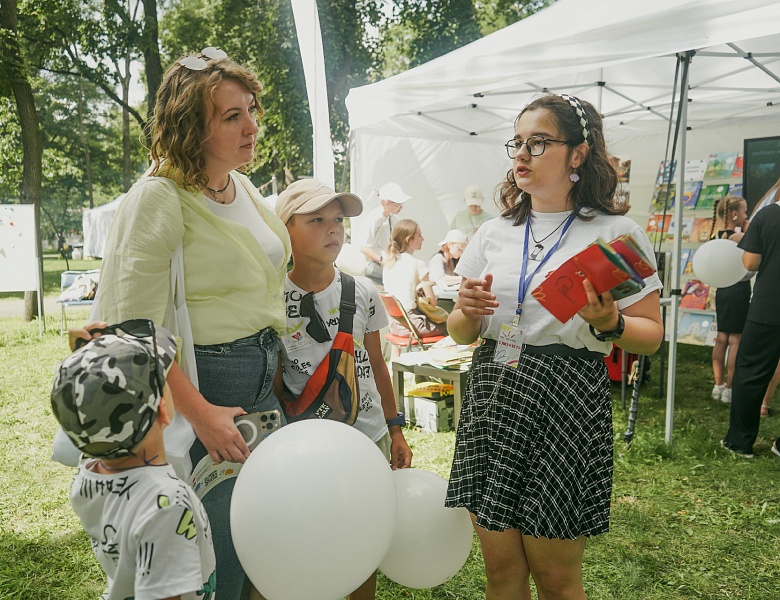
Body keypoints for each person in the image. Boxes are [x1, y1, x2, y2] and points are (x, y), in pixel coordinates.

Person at [444, 94, 663, 599]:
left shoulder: (616, 234)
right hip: (495, 393)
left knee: (557, 578)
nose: (521, 153)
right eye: (517, 142)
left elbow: (651, 334)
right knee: (500, 572)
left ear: (578, 155)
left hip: (565, 400)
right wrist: (466, 313)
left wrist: (611, 324)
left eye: (538, 142)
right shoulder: (492, 233)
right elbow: (461, 332)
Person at [96, 48, 291, 600]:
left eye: (250, 109)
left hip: (261, 381)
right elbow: (131, 325)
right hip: (203, 386)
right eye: (232, 117)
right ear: (189, 126)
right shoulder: (158, 196)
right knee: (210, 555)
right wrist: (199, 412)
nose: (252, 125)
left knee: (257, 545)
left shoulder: (242, 186)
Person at [273, 178, 413, 600]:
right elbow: (276, 376)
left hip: (365, 438)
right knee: (310, 534)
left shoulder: (362, 290)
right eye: (317, 220)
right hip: (303, 442)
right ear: (285, 230)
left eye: (338, 220)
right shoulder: (269, 297)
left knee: (361, 538)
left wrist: (395, 428)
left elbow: (377, 365)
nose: (334, 229)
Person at [52, 322, 216, 600]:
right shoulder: (167, 506)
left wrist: (83, 362)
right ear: (163, 412)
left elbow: (88, 410)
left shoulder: (89, 469)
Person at [721, 196, 780, 460]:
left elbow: (751, 263)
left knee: (751, 371)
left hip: (769, 306)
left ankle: (740, 441)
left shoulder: (767, 216)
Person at [707, 195, 750, 404]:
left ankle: (718, 384)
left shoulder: (716, 236)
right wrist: (749, 229)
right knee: (735, 340)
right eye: (744, 212)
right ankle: (730, 388)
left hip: (722, 290)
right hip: (738, 289)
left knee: (721, 338)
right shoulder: (739, 238)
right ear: (734, 214)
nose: (746, 215)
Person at [382, 219, 448, 350]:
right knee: (451, 326)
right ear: (409, 240)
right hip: (413, 325)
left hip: (395, 325)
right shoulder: (418, 264)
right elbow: (433, 303)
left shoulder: (388, 264)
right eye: (419, 235)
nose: (423, 238)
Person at [358, 182, 412, 284]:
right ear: (386, 202)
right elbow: (363, 247)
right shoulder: (374, 218)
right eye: (398, 204)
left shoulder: (393, 218)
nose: (401, 207)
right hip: (374, 267)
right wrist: (383, 260)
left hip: (387, 265)